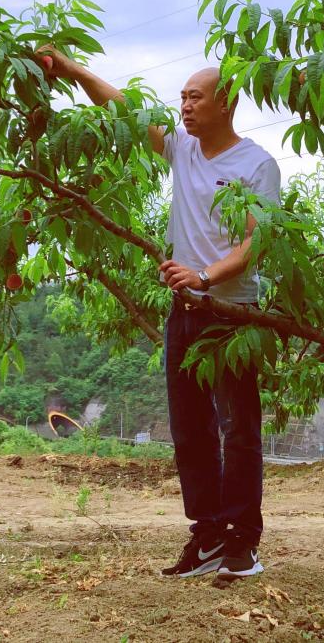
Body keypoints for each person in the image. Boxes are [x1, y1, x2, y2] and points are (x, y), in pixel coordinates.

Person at [44, 51, 279, 580]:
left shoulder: (256, 165)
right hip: (184, 310)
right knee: (190, 429)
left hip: (231, 311)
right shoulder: (183, 150)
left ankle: (243, 543)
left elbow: (255, 242)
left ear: (227, 102)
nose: (185, 106)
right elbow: (125, 114)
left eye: (195, 96)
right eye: (182, 97)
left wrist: (205, 277)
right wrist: (75, 71)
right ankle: (209, 535)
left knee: (238, 430)